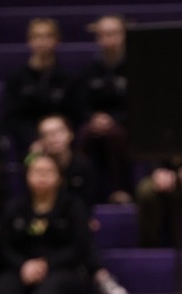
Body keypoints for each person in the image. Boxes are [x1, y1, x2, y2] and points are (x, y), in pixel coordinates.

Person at [0, 153, 92, 294]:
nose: (42, 177)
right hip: (24, 268)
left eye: (48, 172)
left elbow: (80, 247)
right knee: (5, 281)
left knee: (58, 283)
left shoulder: (73, 206)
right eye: (37, 172)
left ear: (59, 177)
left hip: (63, 269)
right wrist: (23, 265)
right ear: (27, 176)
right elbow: (4, 246)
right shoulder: (16, 207)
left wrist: (47, 264)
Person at [33, 113, 127, 294]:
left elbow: (87, 200)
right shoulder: (37, 166)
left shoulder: (83, 165)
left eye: (58, 132)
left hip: (74, 221)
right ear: (41, 141)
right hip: (46, 222)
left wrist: (84, 217)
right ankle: (98, 274)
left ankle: (99, 275)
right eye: (47, 134)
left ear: (70, 134)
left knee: (80, 226)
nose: (53, 138)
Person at [72, 14, 133, 204]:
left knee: (114, 135)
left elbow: (140, 104)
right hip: (95, 123)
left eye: (114, 33)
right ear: (98, 38)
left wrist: (114, 120)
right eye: (104, 34)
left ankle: (120, 190)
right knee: (84, 134)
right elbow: (79, 104)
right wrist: (93, 118)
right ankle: (81, 190)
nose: (109, 39)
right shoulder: (89, 70)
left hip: (127, 125)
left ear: (124, 35)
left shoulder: (136, 67)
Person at [2, 18, 75, 157]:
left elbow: (74, 115)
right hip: (30, 147)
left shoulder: (68, 78)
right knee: (36, 162)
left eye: (48, 36)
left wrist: (58, 139)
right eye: (37, 37)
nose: (42, 41)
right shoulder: (16, 79)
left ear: (57, 40)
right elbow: (12, 118)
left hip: (63, 146)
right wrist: (33, 141)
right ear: (29, 41)